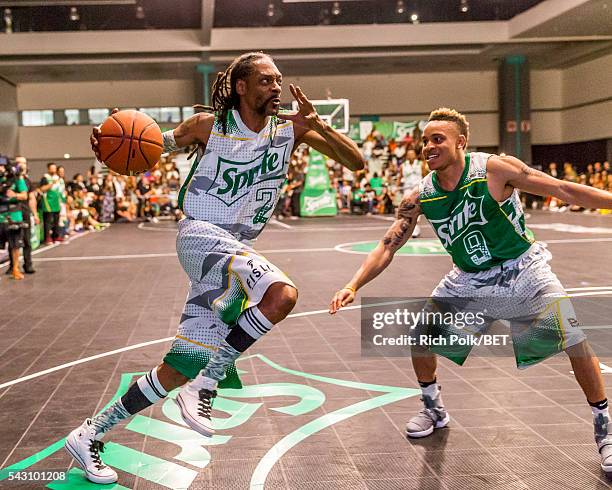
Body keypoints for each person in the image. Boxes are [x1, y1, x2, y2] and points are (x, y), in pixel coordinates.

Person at [64, 51, 364, 484]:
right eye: (265, 81)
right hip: (201, 235)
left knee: (178, 365)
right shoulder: (208, 127)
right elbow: (149, 145)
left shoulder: (290, 130)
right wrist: (114, 139)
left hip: (232, 253)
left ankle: (92, 432)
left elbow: (355, 162)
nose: (276, 87)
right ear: (241, 87)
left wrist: (318, 125)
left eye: (278, 80)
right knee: (281, 293)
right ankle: (208, 379)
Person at [329, 108, 612, 472]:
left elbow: (560, 188)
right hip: (469, 277)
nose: (427, 146)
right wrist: (353, 284)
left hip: (522, 269)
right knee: (421, 336)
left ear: (460, 142)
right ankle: (434, 408)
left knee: (574, 338)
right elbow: (388, 245)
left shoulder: (494, 170)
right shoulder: (422, 196)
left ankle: (604, 429)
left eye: (437, 139)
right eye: (425, 140)